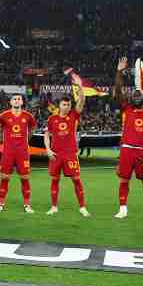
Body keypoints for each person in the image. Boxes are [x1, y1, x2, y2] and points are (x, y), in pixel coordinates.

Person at [112, 57, 143, 221]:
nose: (136, 96)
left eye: (138, 94)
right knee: (124, 181)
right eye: (134, 95)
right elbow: (118, 91)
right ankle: (123, 209)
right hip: (126, 149)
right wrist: (119, 71)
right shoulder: (127, 109)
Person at [45, 80, 89, 217]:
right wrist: (48, 149)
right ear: (59, 105)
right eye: (64, 104)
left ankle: (82, 207)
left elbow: (81, 100)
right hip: (56, 154)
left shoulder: (73, 115)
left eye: (69, 104)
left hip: (70, 154)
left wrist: (80, 86)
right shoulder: (52, 119)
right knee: (55, 180)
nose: (67, 107)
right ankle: (53, 207)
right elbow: (46, 135)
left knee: (76, 179)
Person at [0, 94, 39, 213]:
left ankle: (27, 204)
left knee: (24, 178)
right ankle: (1, 203)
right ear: (10, 102)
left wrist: (25, 140)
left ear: (22, 102)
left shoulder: (28, 116)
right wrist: (3, 140)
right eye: (14, 99)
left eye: (19, 99)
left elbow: (32, 129)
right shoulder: (4, 115)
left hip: (22, 152)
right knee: (4, 177)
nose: (17, 101)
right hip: (8, 151)